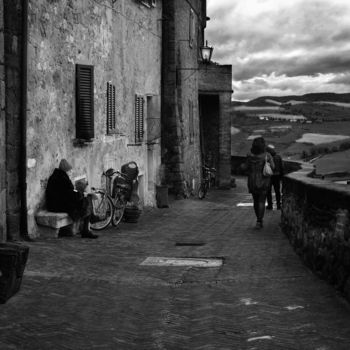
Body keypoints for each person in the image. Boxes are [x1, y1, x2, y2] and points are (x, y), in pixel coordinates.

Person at [46, 159, 98, 239]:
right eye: (69, 171)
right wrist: (81, 194)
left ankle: (89, 223)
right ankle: (87, 226)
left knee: (86, 199)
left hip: (57, 203)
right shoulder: (62, 179)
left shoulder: (58, 177)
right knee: (86, 200)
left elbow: (67, 193)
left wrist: (79, 194)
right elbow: (69, 195)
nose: (70, 172)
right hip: (57, 205)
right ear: (65, 170)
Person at [243, 137, 275, 229]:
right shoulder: (267, 155)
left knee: (255, 201)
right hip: (264, 180)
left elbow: (245, 167)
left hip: (252, 180)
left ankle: (258, 218)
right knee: (261, 200)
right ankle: (259, 221)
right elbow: (273, 167)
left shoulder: (249, 155)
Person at [266, 144, 284, 210]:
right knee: (277, 191)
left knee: (268, 191)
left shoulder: (267, 157)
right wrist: (281, 176)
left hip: (269, 176)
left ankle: (270, 205)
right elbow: (282, 167)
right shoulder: (278, 157)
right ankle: (278, 205)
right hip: (277, 176)